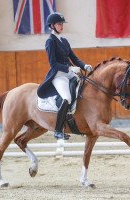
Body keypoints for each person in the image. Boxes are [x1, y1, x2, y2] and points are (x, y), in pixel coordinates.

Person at [37, 12, 93, 140]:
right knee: (67, 98)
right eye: (59, 24)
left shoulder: (64, 40)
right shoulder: (50, 41)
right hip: (59, 76)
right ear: (52, 25)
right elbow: (53, 64)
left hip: (70, 74)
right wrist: (69, 68)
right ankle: (58, 130)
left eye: (62, 24)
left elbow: (74, 58)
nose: (62, 26)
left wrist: (85, 66)